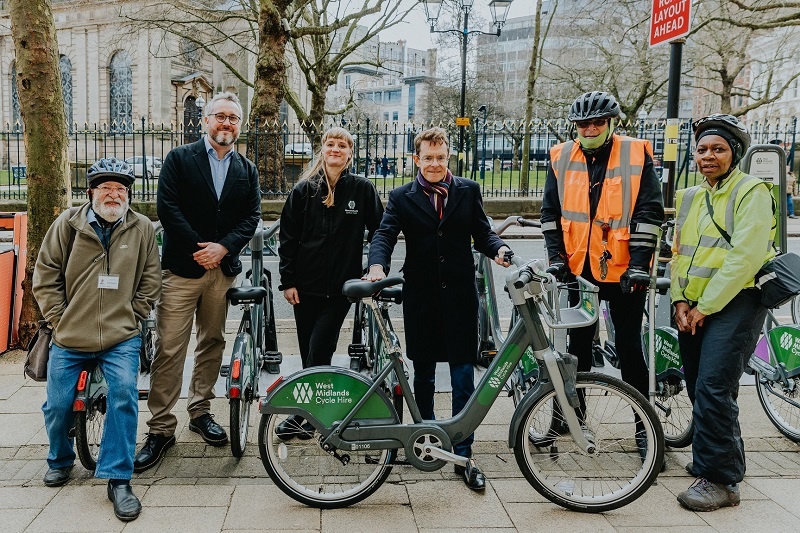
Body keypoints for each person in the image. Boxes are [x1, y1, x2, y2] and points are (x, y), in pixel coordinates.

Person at [365, 127, 511, 491]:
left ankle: (464, 452)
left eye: (440, 157)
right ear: (417, 159)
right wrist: (377, 266)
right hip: (422, 297)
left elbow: (483, 232)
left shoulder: (467, 190)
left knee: (464, 375)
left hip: (461, 296)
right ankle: (427, 442)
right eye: (427, 158)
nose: (434, 164)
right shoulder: (401, 196)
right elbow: (383, 234)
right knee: (424, 375)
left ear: (449, 158)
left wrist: (500, 250)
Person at [134, 92, 261, 472]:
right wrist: (199, 249)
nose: (226, 124)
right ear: (204, 121)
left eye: (233, 119)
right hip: (181, 270)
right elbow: (167, 208)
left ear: (240, 125)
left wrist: (222, 248)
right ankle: (160, 428)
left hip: (220, 273)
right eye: (219, 116)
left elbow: (251, 216)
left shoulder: (246, 168)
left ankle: (200, 410)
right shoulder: (178, 159)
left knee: (212, 342)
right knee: (170, 347)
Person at [33, 158, 161, 521]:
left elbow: (151, 280)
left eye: (121, 189)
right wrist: (60, 321)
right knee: (58, 404)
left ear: (129, 196)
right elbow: (45, 278)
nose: (114, 194)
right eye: (106, 188)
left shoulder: (142, 228)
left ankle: (118, 478)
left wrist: (134, 315)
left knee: (123, 395)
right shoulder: (67, 225)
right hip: (71, 335)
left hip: (121, 336)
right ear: (90, 192)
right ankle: (60, 458)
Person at [671, 114, 775, 512]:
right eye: (702, 149)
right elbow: (678, 254)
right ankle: (714, 459)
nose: (708, 156)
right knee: (700, 384)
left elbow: (744, 257)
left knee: (714, 386)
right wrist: (681, 301)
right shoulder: (691, 196)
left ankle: (722, 481)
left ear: (735, 153)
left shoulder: (752, 191)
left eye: (718, 149)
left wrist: (704, 307)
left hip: (738, 301)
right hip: (694, 305)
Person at [541, 91, 664, 405]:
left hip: (626, 270)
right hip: (580, 269)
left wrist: (640, 263)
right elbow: (550, 214)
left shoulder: (635, 153)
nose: (589, 129)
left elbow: (648, 213)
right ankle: (573, 416)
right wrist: (557, 257)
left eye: (597, 123)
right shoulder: (561, 156)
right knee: (578, 346)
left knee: (628, 347)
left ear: (612, 123)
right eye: (583, 124)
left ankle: (643, 424)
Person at [276, 126, 384, 439]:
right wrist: (287, 281)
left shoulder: (361, 189)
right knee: (308, 350)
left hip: (340, 289)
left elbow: (380, 230)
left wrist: (372, 268)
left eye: (342, 145)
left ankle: (303, 416)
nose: (335, 149)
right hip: (304, 287)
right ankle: (314, 413)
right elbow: (288, 239)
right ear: (323, 149)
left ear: (350, 153)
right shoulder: (304, 190)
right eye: (330, 144)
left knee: (319, 350)